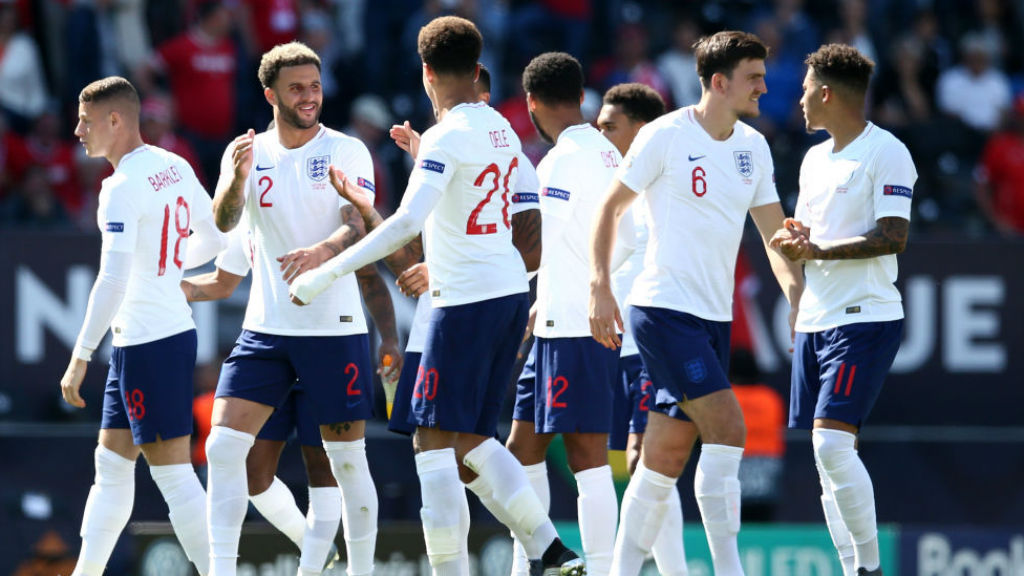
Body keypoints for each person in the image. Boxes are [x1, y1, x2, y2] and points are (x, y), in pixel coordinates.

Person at [289, 16, 583, 576]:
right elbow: (522, 216)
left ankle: (464, 567)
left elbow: (406, 224)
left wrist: (324, 273)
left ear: (425, 74)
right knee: (472, 438)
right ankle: (551, 549)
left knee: (431, 444)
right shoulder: (502, 131)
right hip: (507, 296)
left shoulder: (448, 138)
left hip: (464, 303)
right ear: (477, 71)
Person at [588, 31, 804, 576]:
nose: (763, 86)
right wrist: (599, 286)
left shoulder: (753, 148)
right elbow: (610, 209)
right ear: (717, 82)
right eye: (753, 77)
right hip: (663, 310)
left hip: (713, 317)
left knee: (661, 459)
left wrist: (798, 299)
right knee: (730, 428)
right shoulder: (664, 135)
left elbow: (774, 235)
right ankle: (729, 569)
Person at [205, 42, 383, 576]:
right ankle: (221, 569)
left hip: (334, 327)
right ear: (270, 94)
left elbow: (360, 221)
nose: (309, 97)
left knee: (346, 464)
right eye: (296, 88)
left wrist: (323, 252)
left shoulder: (347, 150)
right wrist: (236, 181)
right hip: (265, 328)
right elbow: (224, 221)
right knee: (222, 449)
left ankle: (359, 570)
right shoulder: (246, 151)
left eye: (315, 86)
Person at [60, 76, 226, 576]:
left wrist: (80, 355)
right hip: (158, 335)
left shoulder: (121, 187)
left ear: (115, 120)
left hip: (147, 342)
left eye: (86, 122)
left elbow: (111, 280)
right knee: (111, 467)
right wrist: (168, 268)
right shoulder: (173, 165)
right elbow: (214, 238)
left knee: (174, 475)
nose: (77, 131)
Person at [182, 216, 401, 575]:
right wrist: (178, 288)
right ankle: (310, 543)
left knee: (331, 467)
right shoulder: (252, 199)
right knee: (250, 471)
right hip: (269, 342)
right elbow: (223, 281)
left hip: (332, 340)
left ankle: (319, 568)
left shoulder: (327, 201)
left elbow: (368, 274)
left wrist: (390, 337)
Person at [770, 43, 916, 576]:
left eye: (807, 90)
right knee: (822, 455)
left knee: (833, 446)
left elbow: (893, 236)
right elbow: (809, 231)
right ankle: (852, 567)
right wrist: (797, 238)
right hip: (815, 319)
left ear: (828, 93)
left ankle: (870, 569)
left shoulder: (888, 152)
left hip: (865, 315)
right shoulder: (813, 158)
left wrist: (818, 251)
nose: (800, 101)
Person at [503, 52, 636, 576]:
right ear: (580, 97)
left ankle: (599, 569)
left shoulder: (558, 161)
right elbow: (614, 238)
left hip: (576, 327)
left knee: (586, 455)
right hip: (561, 321)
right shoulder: (606, 153)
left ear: (530, 103)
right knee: (520, 451)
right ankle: (531, 561)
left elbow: (540, 247)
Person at [597, 82, 690, 575]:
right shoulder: (619, 184)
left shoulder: (662, 184)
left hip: (650, 341)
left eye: (610, 126)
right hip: (620, 343)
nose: (601, 134)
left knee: (646, 462)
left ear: (641, 129)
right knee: (637, 464)